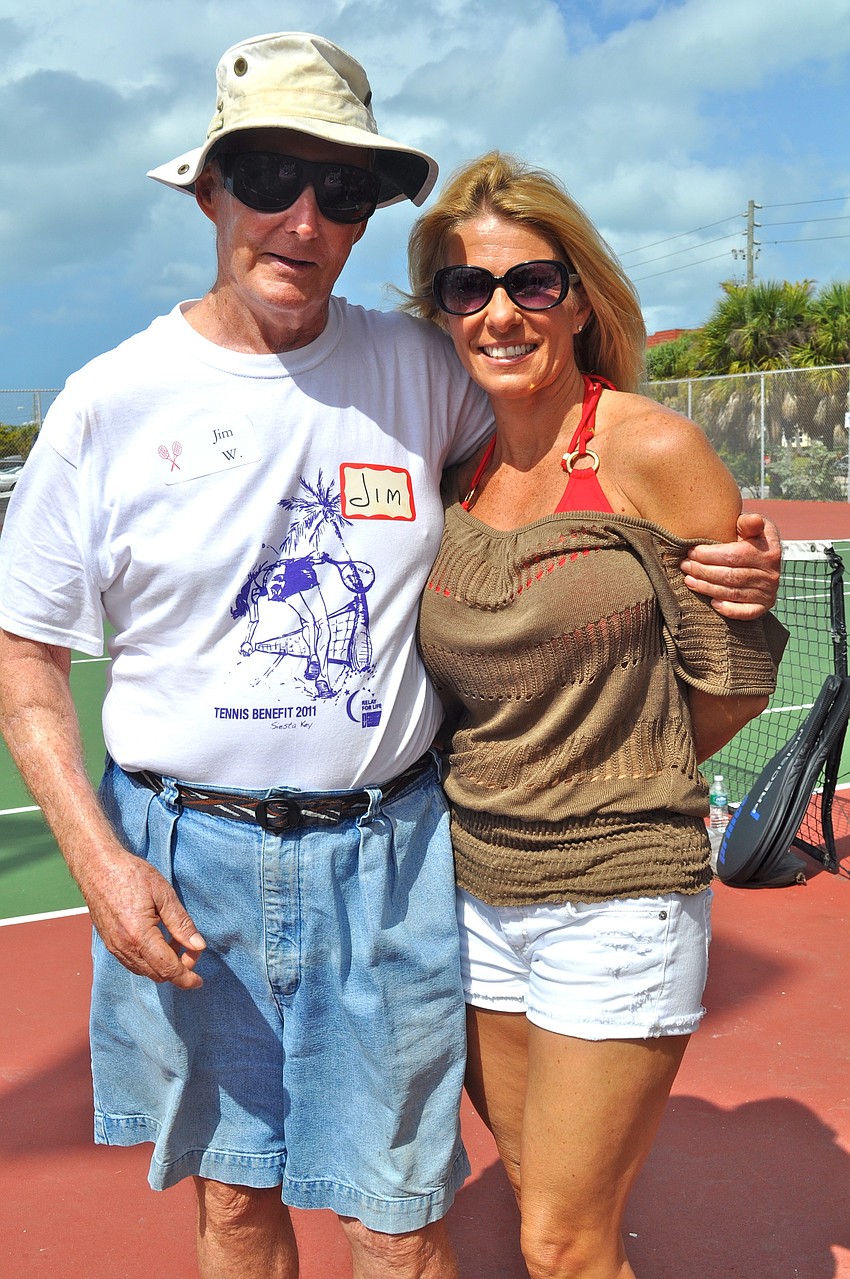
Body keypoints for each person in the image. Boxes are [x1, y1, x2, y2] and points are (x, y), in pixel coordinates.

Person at [0, 32, 778, 1279]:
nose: (303, 218)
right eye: (268, 178)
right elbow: (27, 658)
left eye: (343, 190)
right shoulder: (107, 401)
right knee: (236, 1206)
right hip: (184, 854)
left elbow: (565, 433)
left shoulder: (422, 367)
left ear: (365, 219)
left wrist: (720, 553)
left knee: (399, 1216)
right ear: (208, 188)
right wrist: (97, 863)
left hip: (396, 851)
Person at [406, 151, 786, 1279]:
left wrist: (613, 770)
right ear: (441, 313)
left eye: (530, 282)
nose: (500, 312)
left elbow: (730, 676)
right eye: (466, 290)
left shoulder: (647, 447)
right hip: (471, 892)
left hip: (616, 896)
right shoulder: (451, 460)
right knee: (541, 1204)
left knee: (560, 1245)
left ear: (575, 296)